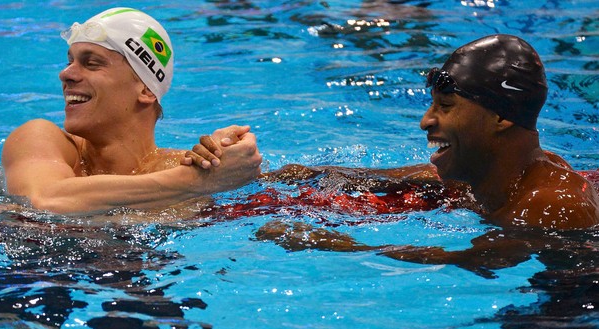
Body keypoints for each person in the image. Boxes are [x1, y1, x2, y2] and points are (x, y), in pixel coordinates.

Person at [191, 34, 599, 230]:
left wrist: (340, 246)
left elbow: (478, 262)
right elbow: (397, 177)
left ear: (501, 118)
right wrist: (281, 174)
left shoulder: (551, 206)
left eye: (446, 107)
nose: (425, 121)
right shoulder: (488, 175)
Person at [0, 8, 262, 215]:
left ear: (146, 90)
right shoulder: (40, 138)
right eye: (70, 61)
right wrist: (198, 182)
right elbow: (43, 200)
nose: (65, 74)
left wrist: (233, 158)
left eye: (91, 63)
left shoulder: (182, 166)